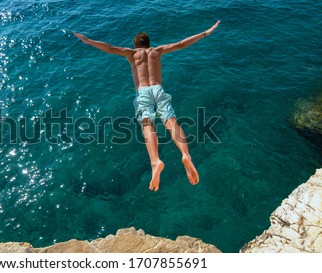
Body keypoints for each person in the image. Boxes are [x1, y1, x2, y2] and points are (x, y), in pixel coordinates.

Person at [74, 20, 220, 191]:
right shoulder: (157, 51)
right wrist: (205, 32)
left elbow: (109, 47)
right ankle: (186, 155)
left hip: (143, 91)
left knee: (147, 125)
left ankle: (155, 161)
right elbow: (181, 44)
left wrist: (88, 40)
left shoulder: (132, 53)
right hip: (158, 89)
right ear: (149, 44)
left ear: (136, 45)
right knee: (171, 121)